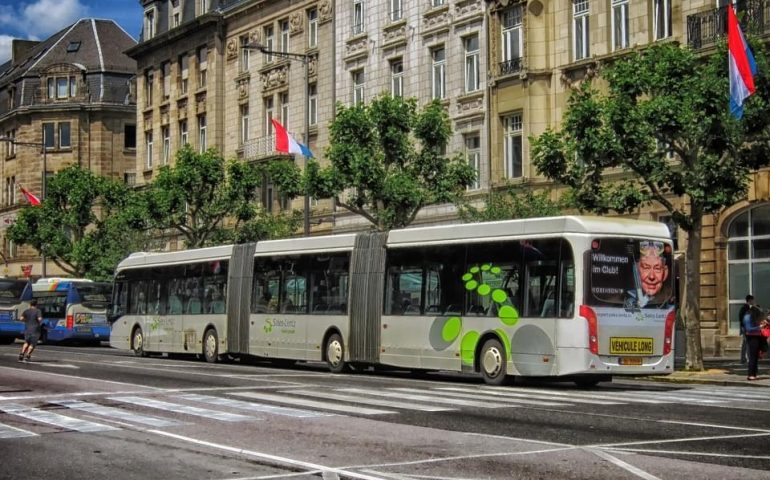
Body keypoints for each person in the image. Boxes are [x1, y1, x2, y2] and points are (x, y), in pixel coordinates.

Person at [625, 241, 672, 308]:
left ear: (665, 273)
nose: (651, 276)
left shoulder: (669, 301)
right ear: (637, 270)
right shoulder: (623, 299)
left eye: (657, 268)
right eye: (646, 268)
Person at [742, 305, 769, 381]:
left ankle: (754, 374)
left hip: (757, 336)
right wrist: (759, 327)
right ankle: (751, 374)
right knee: (753, 356)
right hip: (751, 337)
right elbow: (748, 329)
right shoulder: (747, 317)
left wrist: (763, 323)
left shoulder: (754, 316)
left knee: (756, 356)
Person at [738, 294, 755, 364]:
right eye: (752, 300)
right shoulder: (746, 308)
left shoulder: (745, 308)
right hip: (746, 328)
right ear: (750, 300)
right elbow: (743, 319)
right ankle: (748, 359)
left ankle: (743, 359)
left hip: (744, 327)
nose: (753, 301)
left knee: (745, 343)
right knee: (747, 343)